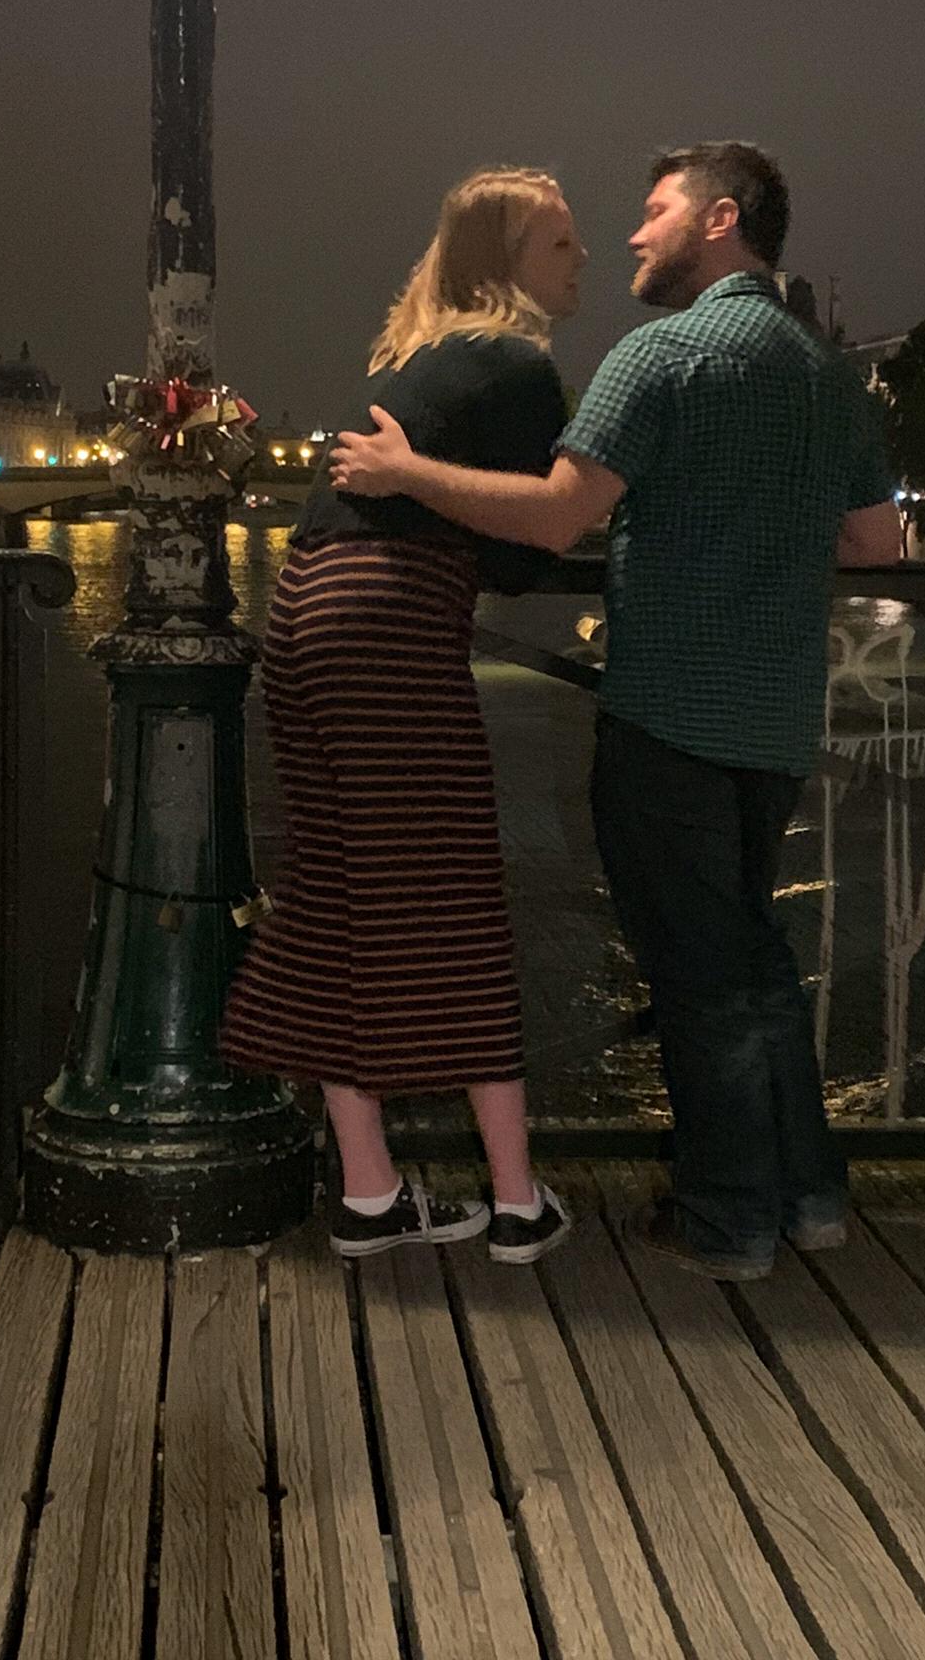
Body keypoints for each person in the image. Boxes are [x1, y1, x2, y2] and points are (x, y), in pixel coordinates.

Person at [330, 141, 902, 1281]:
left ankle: (728, 1214)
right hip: (778, 714)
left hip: (671, 712)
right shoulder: (830, 373)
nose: (632, 236)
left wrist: (408, 478)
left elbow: (555, 519)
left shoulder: (664, 355)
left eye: (653, 214)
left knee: (694, 971)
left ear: (720, 220)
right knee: (754, 952)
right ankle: (812, 1193)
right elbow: (874, 544)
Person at [221, 165, 584, 1264]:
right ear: (504, 261)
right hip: (391, 625)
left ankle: (372, 1192)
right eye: (560, 242)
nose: (581, 259)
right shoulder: (518, 364)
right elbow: (530, 554)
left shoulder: (415, 355)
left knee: (335, 887)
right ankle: (517, 1200)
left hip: (306, 613)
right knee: (454, 889)